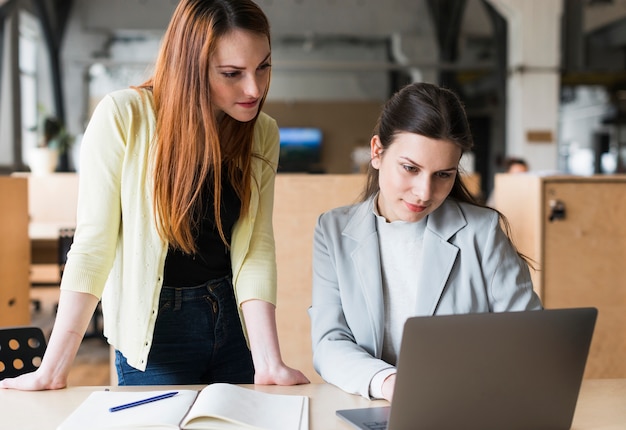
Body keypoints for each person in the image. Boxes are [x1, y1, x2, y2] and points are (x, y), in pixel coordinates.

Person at [1, 0, 309, 390]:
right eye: (232, 73)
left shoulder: (262, 132)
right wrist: (52, 370)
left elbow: (257, 249)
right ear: (191, 67)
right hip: (158, 332)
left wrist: (269, 361)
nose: (254, 88)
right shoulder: (123, 116)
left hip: (234, 324)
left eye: (263, 66)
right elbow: (93, 248)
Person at [308, 82, 542, 402]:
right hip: (372, 405)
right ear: (377, 152)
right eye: (410, 168)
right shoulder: (333, 230)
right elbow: (329, 341)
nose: (424, 192)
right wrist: (389, 382)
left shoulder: (482, 231)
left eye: (443, 174)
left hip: (465, 407)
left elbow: (528, 337)